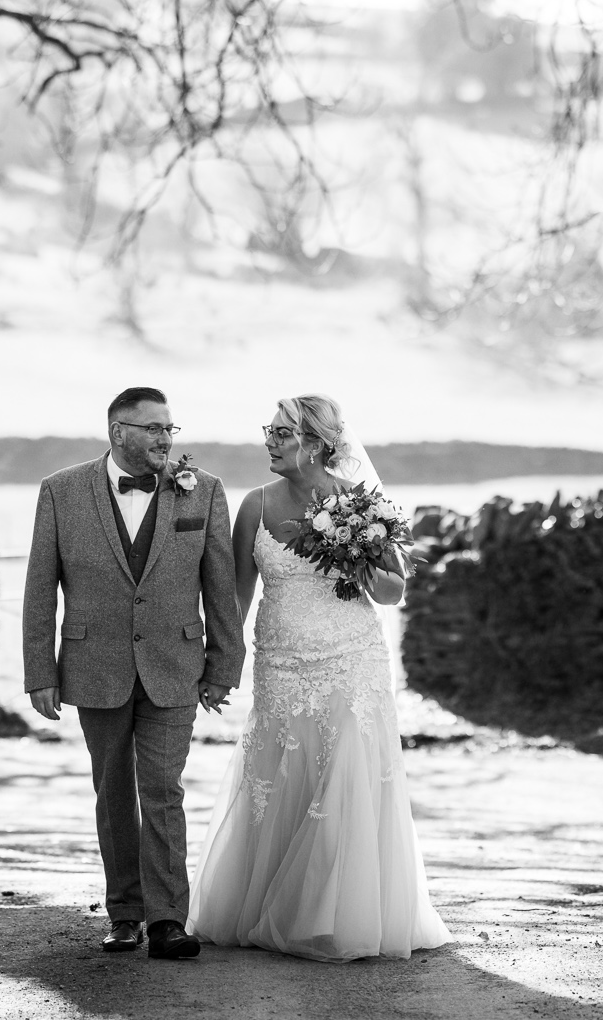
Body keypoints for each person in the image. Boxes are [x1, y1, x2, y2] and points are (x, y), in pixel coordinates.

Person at [185, 394, 451, 961]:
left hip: (352, 659)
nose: (269, 442)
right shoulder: (254, 505)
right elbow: (235, 593)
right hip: (280, 661)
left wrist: (355, 546)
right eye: (269, 431)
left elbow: (391, 592)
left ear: (315, 443)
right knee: (278, 778)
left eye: (281, 433)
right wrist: (219, 664)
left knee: (346, 775)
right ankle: (272, 906)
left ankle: (336, 915)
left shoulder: (359, 502)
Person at [22, 386, 246, 960]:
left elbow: (220, 585)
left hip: (176, 664)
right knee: (113, 789)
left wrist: (224, 664)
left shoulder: (205, 491)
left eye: (170, 428)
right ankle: (124, 914)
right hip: (94, 664)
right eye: (152, 428)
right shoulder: (61, 491)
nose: (165, 439)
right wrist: (39, 671)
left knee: (163, 789)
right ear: (117, 431)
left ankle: (169, 918)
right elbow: (40, 588)